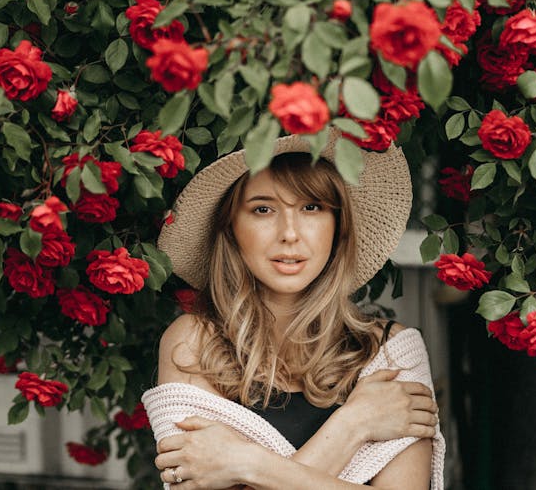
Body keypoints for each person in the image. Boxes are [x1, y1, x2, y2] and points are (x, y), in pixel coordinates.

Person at [142, 133, 445, 489]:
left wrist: (244, 464)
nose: (290, 233)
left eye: (312, 207)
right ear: (231, 228)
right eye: (263, 209)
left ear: (338, 225)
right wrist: (354, 423)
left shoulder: (392, 351)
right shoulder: (193, 344)